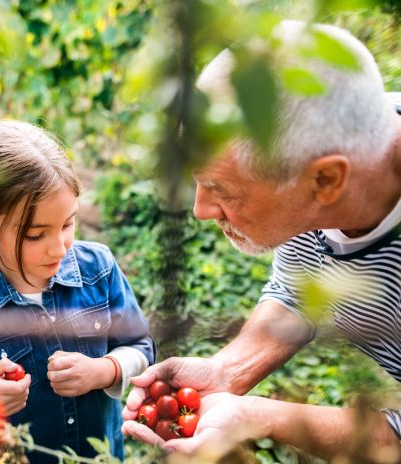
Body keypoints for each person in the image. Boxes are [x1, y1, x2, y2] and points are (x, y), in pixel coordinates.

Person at [121, 20, 401, 462]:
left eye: (221, 190)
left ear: (326, 179)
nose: (202, 211)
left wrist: (259, 415)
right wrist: (226, 371)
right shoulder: (317, 149)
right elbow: (295, 293)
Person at [0, 120, 156, 463]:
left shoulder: (98, 269)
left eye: (67, 224)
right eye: (36, 235)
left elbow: (143, 347)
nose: (59, 248)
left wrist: (105, 370)